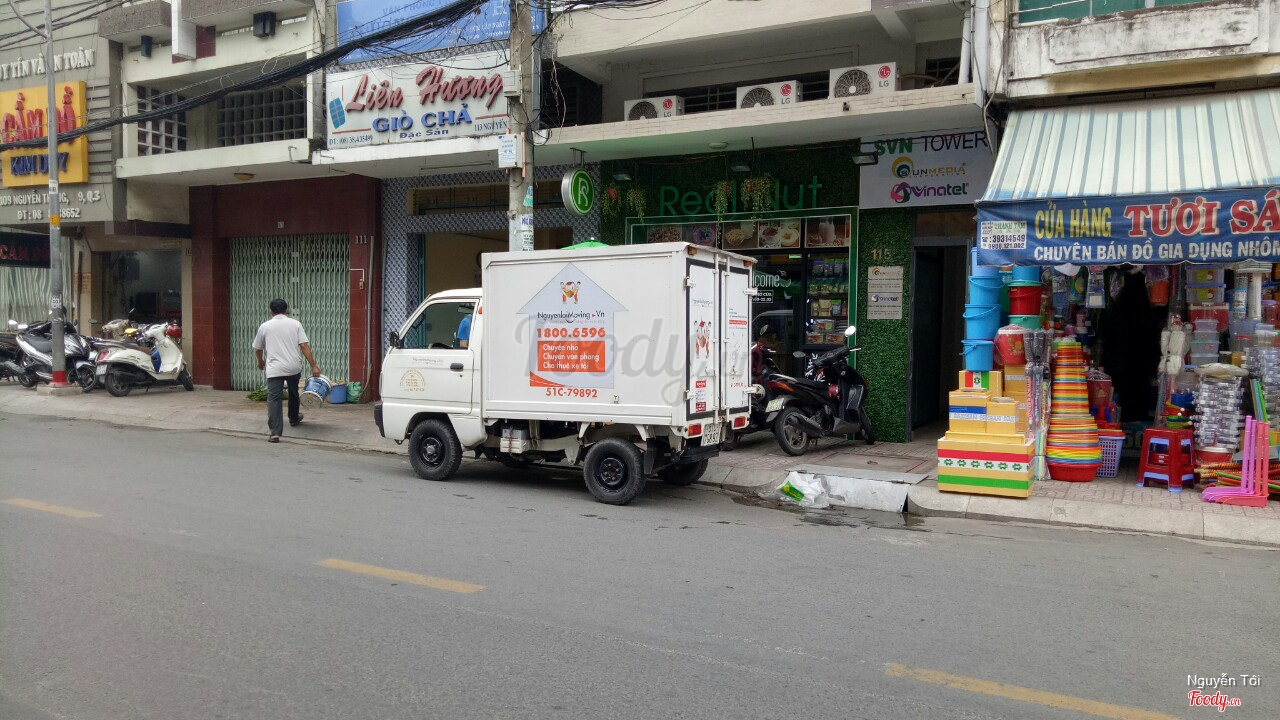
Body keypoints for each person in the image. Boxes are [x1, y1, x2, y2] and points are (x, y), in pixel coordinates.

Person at [253, 298, 321, 443]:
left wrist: (260, 362)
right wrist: (314, 365)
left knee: (274, 399)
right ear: (286, 310)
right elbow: (304, 346)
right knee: (293, 393)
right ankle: (294, 418)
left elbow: (258, 349)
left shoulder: (265, 326)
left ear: (270, 311)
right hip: (293, 367)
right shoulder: (295, 324)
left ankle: (275, 433)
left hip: (274, 369)